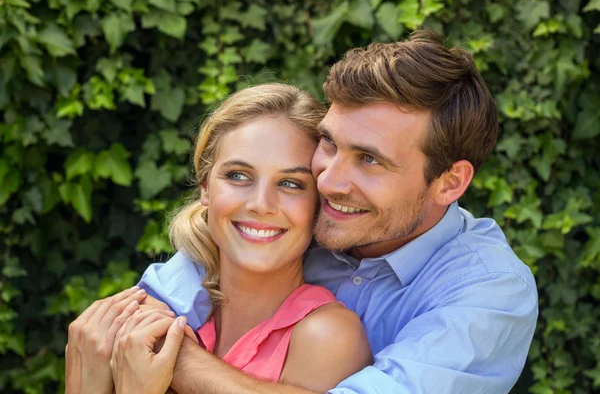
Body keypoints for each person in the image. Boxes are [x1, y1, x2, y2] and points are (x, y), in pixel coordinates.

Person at [130, 30, 538, 393]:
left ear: (449, 182)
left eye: (369, 160)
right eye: (329, 142)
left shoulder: (490, 292)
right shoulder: (302, 216)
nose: (327, 181)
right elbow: (171, 288)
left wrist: (172, 355)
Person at [66, 84, 373, 394]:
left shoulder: (326, 336)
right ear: (205, 187)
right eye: (238, 176)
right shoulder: (153, 315)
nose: (260, 204)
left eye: (291, 183)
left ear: (319, 202)